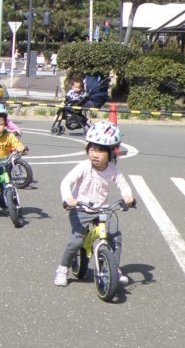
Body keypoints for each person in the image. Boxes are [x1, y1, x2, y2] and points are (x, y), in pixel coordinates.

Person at [54, 121, 134, 287]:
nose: (95, 154)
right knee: (76, 241)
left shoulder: (113, 169)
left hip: (102, 209)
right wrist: (68, 198)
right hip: (80, 208)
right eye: (92, 149)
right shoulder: (84, 167)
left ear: (111, 152)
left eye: (101, 150)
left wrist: (127, 196)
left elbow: (123, 184)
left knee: (115, 236)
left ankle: (114, 267)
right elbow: (66, 182)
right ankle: (63, 268)